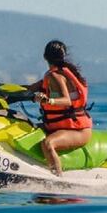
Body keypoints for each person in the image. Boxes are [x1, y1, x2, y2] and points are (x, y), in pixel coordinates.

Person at [32, 40, 92, 176]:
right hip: (61, 126)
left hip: (78, 130)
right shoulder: (53, 75)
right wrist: (2, 89)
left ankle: (58, 182)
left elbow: (66, 100)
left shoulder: (56, 76)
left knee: (48, 143)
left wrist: (48, 100)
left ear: (44, 56)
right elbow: (29, 88)